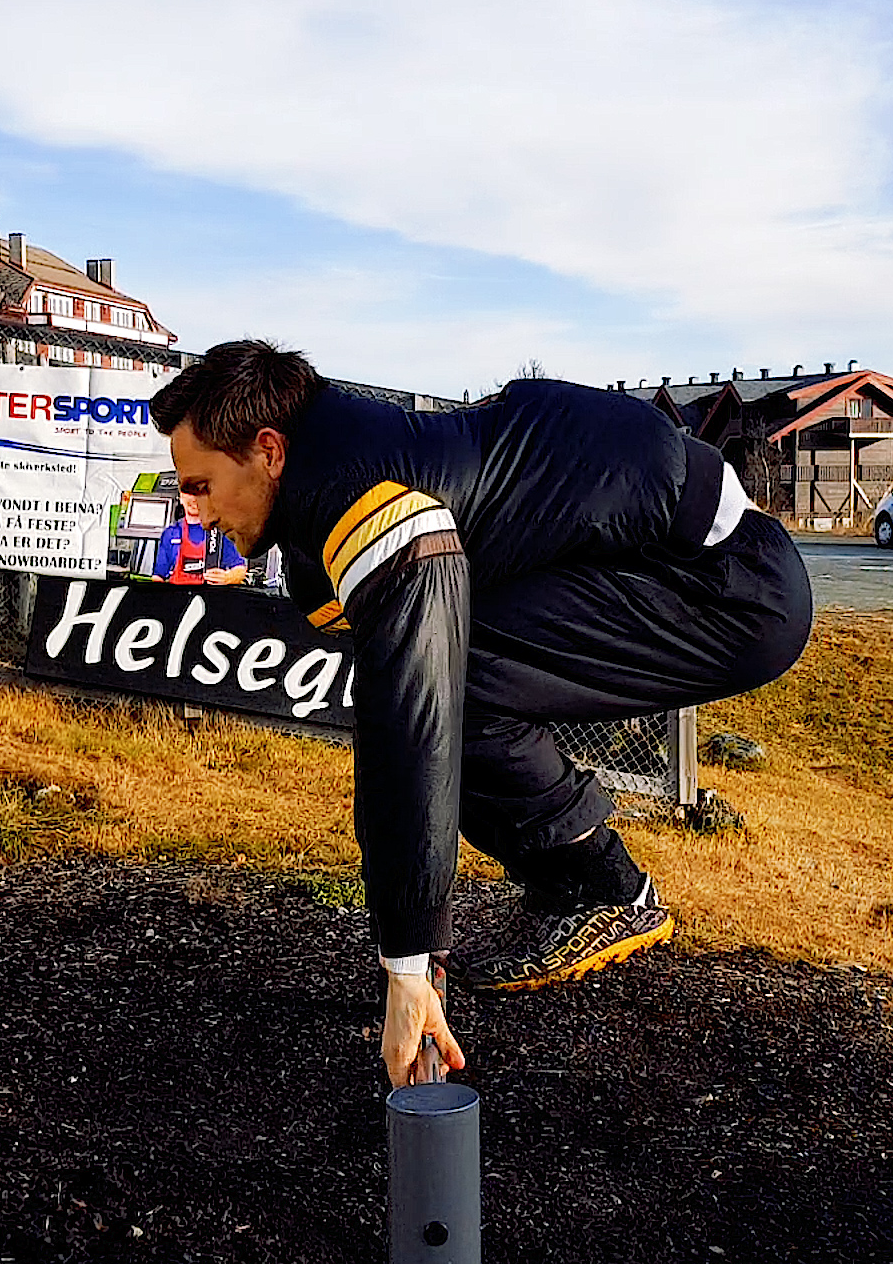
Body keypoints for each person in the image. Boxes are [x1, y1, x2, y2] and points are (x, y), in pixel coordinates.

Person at [152, 341, 812, 1086]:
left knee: (447, 689)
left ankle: (604, 889)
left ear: (269, 450)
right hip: (673, 554)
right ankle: (576, 886)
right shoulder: (335, 472)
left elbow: (408, 727)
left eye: (201, 486)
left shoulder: (372, 496)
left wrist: (408, 965)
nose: (192, 512)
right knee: (439, 689)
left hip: (729, 586)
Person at [149, 486, 248, 585]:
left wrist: (228, 577)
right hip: (179, 596)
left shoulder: (221, 532)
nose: (194, 499)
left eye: (199, 494)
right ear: (181, 497)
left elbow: (240, 570)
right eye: (189, 493)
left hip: (210, 596)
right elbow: (158, 577)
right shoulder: (170, 534)